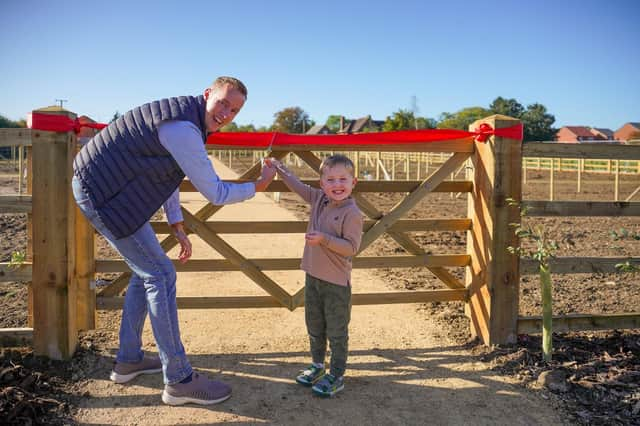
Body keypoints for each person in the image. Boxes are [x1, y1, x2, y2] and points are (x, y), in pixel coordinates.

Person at [72, 76, 276, 406]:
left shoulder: (184, 119)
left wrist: (176, 223)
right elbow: (216, 192)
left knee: (148, 271)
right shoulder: (184, 128)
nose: (226, 113)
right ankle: (179, 380)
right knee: (161, 274)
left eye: (234, 110)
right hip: (102, 194)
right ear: (207, 93)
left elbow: (168, 172)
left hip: (107, 191)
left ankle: (129, 359)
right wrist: (258, 186)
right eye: (223, 102)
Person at [264, 154, 363, 397]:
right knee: (315, 325)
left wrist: (324, 240)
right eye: (330, 179)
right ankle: (318, 365)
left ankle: (337, 374)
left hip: (337, 283)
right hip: (313, 277)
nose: (336, 185)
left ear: (354, 183)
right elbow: (297, 185)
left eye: (343, 179)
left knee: (337, 331)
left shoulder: (352, 213)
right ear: (322, 184)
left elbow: (351, 248)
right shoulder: (318, 198)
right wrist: (278, 167)